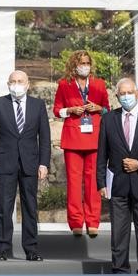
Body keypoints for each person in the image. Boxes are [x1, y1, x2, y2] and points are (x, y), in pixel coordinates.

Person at [96, 78, 138, 274]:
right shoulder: (108, 119)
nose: (126, 97)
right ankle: (119, 269)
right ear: (117, 96)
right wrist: (101, 182)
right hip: (118, 185)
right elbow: (102, 154)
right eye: (122, 94)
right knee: (118, 231)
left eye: (129, 93)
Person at [0, 70, 50, 262]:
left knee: (30, 206)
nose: (16, 84)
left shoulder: (38, 105)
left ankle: (31, 249)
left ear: (28, 84)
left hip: (30, 163)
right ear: (8, 84)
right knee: (5, 206)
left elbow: (45, 137)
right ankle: (3, 248)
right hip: (5, 162)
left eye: (20, 81)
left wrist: (44, 163)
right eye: (13, 81)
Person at [53, 50, 110, 237]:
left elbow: (108, 111)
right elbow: (57, 111)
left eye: (87, 63)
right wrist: (70, 110)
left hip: (95, 138)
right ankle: (76, 221)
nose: (84, 66)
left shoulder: (100, 84)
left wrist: (98, 108)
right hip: (73, 139)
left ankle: (93, 221)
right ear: (74, 65)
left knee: (94, 181)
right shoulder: (64, 85)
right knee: (74, 182)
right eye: (81, 63)